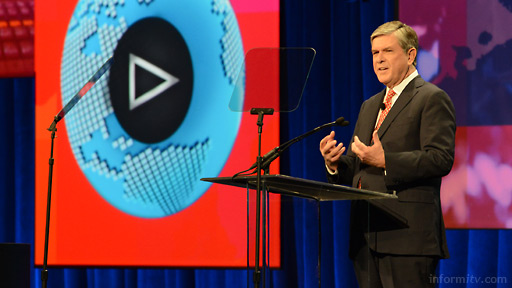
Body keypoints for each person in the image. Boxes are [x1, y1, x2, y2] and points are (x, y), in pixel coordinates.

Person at [319, 21, 456, 288]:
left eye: (387, 51)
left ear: (410, 55)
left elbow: (440, 158)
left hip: (408, 238)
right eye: (374, 53)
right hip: (366, 238)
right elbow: (361, 166)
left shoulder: (431, 98)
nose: (379, 59)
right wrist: (335, 164)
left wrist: (386, 161)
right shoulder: (370, 105)